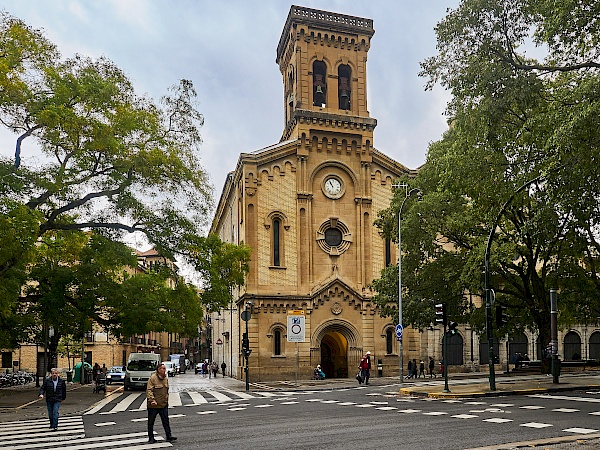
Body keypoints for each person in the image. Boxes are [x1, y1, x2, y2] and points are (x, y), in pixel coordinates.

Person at [146, 363, 177, 444]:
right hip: (153, 405)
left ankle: (169, 436)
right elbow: (149, 390)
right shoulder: (153, 378)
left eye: (165, 369)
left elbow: (166, 391)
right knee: (151, 422)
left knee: (166, 421)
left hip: (163, 404)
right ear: (159, 370)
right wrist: (152, 400)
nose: (164, 370)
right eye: (163, 368)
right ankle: (151, 438)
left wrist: (166, 399)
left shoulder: (165, 379)